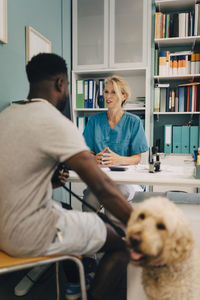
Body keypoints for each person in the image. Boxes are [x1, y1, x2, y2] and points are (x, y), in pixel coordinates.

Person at [0, 53, 133, 300]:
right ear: (61, 83)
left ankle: (75, 282)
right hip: (26, 235)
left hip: (2, 229)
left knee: (74, 213)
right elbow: (103, 187)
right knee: (122, 243)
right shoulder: (54, 120)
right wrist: (141, 226)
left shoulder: (7, 116)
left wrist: (51, 181)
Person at [83, 75, 148, 214]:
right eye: (106, 92)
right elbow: (87, 151)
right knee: (89, 199)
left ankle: (114, 234)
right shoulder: (94, 121)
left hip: (127, 180)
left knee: (115, 199)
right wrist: (94, 158)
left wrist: (119, 160)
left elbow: (137, 158)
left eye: (113, 92)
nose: (108, 96)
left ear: (124, 96)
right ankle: (92, 233)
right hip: (102, 178)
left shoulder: (134, 122)